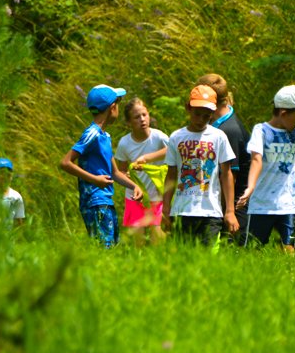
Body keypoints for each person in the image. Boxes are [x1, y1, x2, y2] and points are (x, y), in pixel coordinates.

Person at [236, 85, 295, 253]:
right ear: (283, 113)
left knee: (289, 248)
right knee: (253, 250)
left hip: (288, 204)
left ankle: (290, 277)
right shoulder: (261, 131)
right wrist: (251, 187)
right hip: (261, 204)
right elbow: (256, 159)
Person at [59, 84, 144, 248]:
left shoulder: (105, 136)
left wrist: (134, 186)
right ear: (112, 108)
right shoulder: (92, 134)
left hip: (105, 199)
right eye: (117, 105)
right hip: (94, 201)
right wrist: (95, 180)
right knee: (103, 247)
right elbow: (65, 162)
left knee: (111, 245)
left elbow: (115, 172)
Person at [161, 84, 238, 248]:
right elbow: (171, 174)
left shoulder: (219, 137)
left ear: (213, 113)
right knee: (182, 259)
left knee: (206, 260)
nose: (201, 119)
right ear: (188, 108)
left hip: (210, 211)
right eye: (197, 114)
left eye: (206, 115)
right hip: (182, 210)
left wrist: (230, 211)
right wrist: (166, 208)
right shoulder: (176, 137)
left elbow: (226, 174)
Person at [196, 73, 251, 242]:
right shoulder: (215, 122)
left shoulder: (229, 130)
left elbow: (230, 176)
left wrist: (227, 212)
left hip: (234, 206)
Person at [114, 97, 169, 246]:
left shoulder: (159, 137)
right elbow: (122, 169)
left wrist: (147, 158)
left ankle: (161, 259)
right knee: (138, 240)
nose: (142, 119)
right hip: (135, 196)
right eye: (137, 117)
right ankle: (139, 261)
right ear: (129, 122)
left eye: (144, 115)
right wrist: (125, 175)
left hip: (155, 194)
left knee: (156, 235)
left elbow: (172, 150)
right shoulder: (125, 143)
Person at [0, 157, 25, 227]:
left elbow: (19, 224)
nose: (5, 177)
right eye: (1, 173)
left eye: (8, 174)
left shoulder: (16, 197)